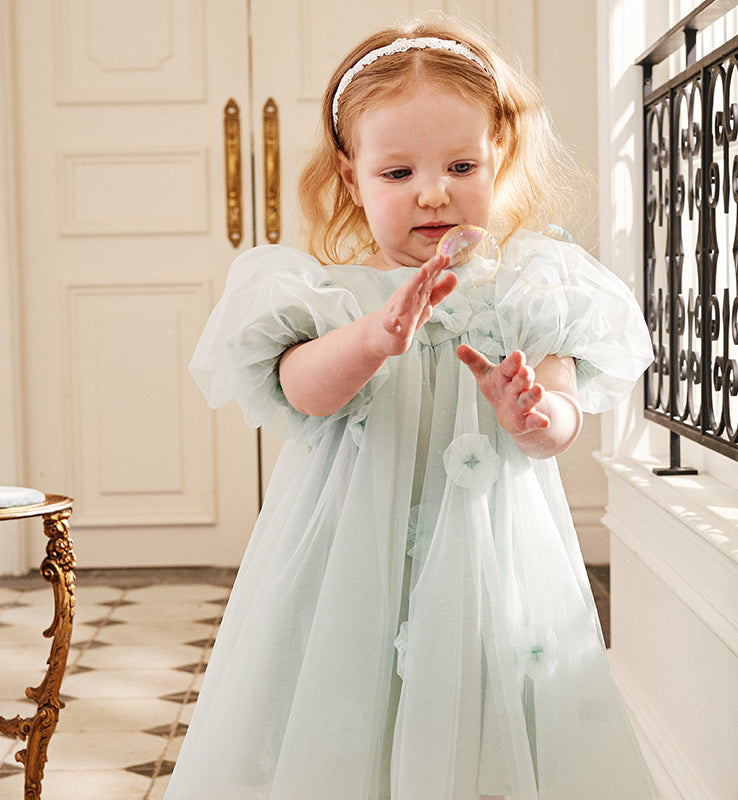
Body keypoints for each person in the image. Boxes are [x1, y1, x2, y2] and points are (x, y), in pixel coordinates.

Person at [166, 14, 657, 800]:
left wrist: (533, 414)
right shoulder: (324, 295)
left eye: (461, 164)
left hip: (488, 558)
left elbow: (558, 420)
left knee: (482, 713)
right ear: (350, 173)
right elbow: (298, 390)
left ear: (501, 156)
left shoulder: (530, 290)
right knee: (345, 711)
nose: (434, 192)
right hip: (345, 560)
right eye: (398, 173)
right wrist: (371, 339)